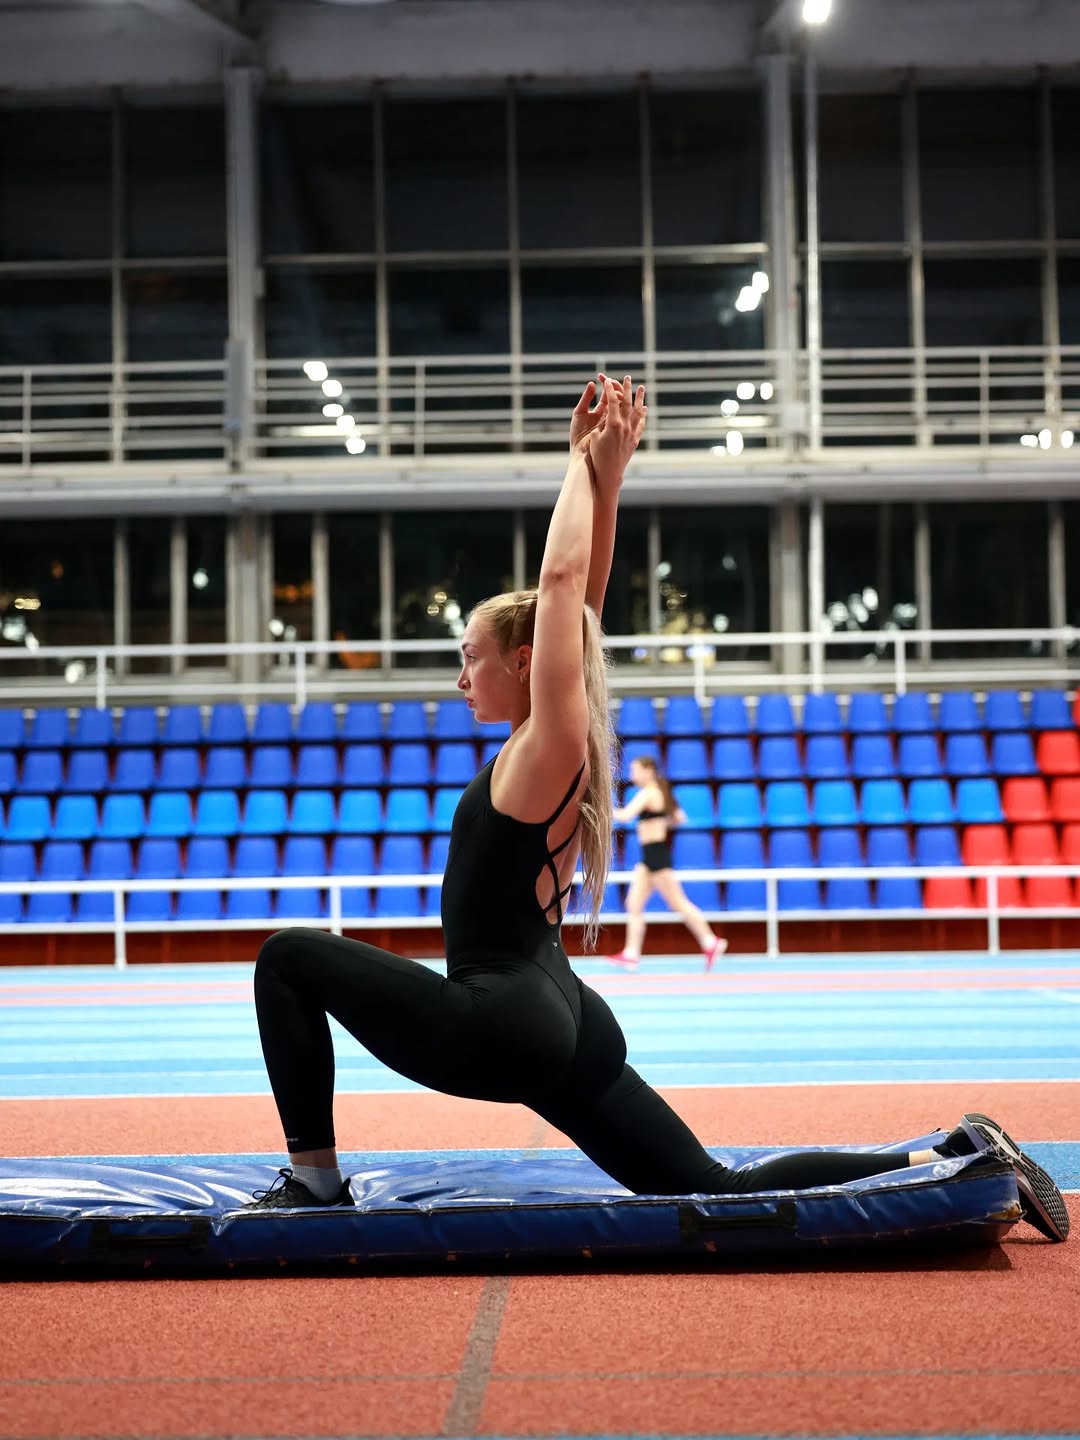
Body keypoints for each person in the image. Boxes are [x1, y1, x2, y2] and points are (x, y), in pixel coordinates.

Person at [246, 374, 1069, 1245]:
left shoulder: (547, 747)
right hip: (566, 1017)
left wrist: (579, 461)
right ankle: (954, 1156)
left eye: (471, 657)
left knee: (287, 959)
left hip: (504, 1022)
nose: (460, 679)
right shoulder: (556, 742)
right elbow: (581, 607)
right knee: (715, 1186)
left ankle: (315, 1183)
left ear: (524, 662)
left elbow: (563, 584)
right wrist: (608, 479)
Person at [610, 754, 727, 971]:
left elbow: (625, 816)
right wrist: (661, 821)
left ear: (648, 771)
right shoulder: (660, 792)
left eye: (635, 770)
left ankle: (711, 941)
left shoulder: (649, 793)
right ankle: (631, 953)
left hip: (656, 856)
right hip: (650, 856)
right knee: (634, 904)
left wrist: (599, 808)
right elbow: (679, 817)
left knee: (678, 903)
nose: (632, 775)